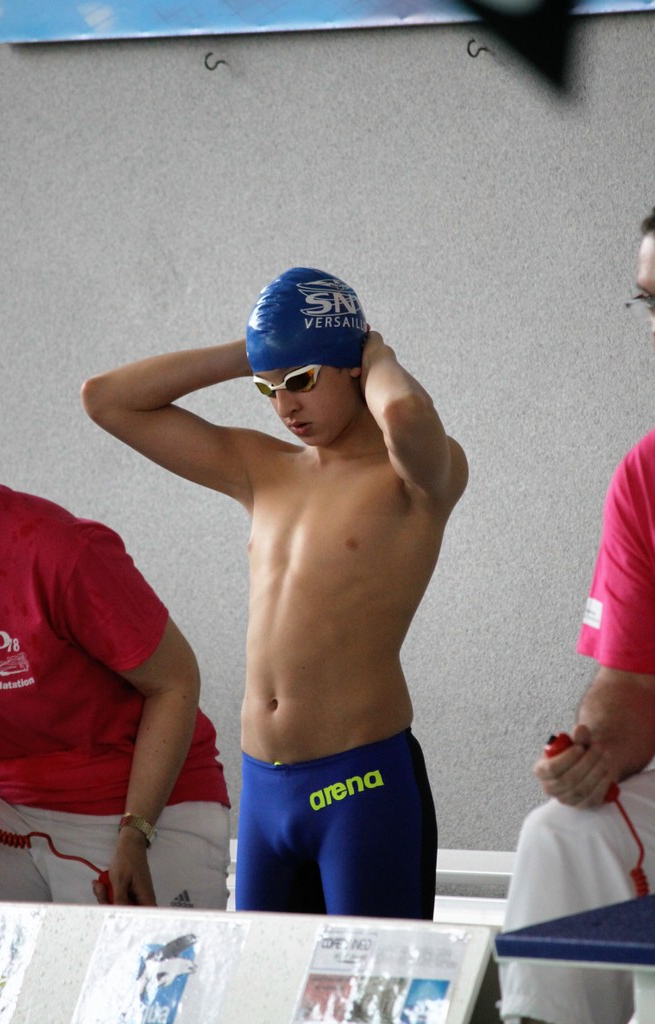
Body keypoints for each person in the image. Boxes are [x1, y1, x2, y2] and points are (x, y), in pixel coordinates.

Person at [82, 266, 468, 919]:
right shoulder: (263, 469)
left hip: (360, 784)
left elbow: (404, 411)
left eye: (301, 381)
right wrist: (259, 351)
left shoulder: (415, 479)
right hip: (263, 790)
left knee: (363, 984)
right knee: (261, 979)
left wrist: (375, 353)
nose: (285, 405)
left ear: (351, 369)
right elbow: (107, 400)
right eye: (268, 388)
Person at [0, 356, 230, 908]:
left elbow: (175, 681)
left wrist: (135, 834)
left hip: (135, 808)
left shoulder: (50, 548)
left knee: (141, 967)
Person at [498, 210, 655, 1024]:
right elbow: (630, 679)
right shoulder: (646, 472)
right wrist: (594, 754)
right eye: (650, 303)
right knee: (560, 832)